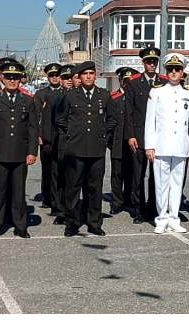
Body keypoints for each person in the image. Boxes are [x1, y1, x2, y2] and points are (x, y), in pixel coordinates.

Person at [54, 61, 117, 237]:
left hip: (96, 149)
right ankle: (72, 223)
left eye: (91, 73)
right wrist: (72, 133)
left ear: (95, 76)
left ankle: (94, 222)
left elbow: (112, 119)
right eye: (85, 74)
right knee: (73, 188)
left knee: (94, 188)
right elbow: (60, 119)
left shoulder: (104, 95)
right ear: (80, 77)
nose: (88, 76)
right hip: (75, 149)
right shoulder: (70, 96)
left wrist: (102, 134)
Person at [0, 61, 38, 239]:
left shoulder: (28, 100)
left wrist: (32, 152)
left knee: (19, 192)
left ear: (20, 79)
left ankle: (20, 226)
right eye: (9, 77)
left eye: (16, 78)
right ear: (2, 79)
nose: (12, 81)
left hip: (20, 154)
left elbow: (33, 129)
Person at [144, 54, 189, 234]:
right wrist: (149, 146)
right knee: (161, 184)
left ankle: (174, 218)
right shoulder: (157, 92)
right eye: (170, 69)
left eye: (177, 69)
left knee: (177, 184)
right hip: (161, 146)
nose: (173, 72)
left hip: (180, 147)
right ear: (166, 72)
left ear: (182, 72)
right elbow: (150, 121)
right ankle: (161, 218)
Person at [124, 47, 168, 224]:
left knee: (156, 176)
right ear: (143, 63)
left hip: (159, 137)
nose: (152, 64)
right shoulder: (134, 82)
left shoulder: (164, 81)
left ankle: (153, 208)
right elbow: (129, 111)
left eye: (154, 61)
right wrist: (130, 135)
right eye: (149, 61)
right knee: (138, 175)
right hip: (139, 136)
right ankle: (139, 210)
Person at [42, 64, 74, 225]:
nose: (69, 80)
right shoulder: (53, 96)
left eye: (71, 77)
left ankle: (71, 207)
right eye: (65, 78)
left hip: (75, 142)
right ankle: (58, 208)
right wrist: (47, 141)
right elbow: (47, 121)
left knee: (72, 178)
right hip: (57, 141)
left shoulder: (77, 95)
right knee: (57, 177)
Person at [33, 63, 62, 208]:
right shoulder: (41, 94)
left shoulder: (66, 92)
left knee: (60, 169)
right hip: (46, 136)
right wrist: (40, 135)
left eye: (57, 75)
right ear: (48, 77)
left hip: (60, 137)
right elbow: (37, 116)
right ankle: (47, 197)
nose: (55, 78)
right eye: (52, 75)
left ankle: (58, 197)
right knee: (47, 168)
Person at [109, 67, 137, 215]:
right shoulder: (113, 98)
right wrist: (110, 142)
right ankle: (116, 201)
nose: (126, 83)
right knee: (117, 174)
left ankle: (128, 198)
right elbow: (108, 122)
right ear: (120, 81)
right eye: (124, 80)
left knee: (131, 172)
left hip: (133, 142)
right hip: (117, 142)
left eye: (130, 81)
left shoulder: (137, 98)